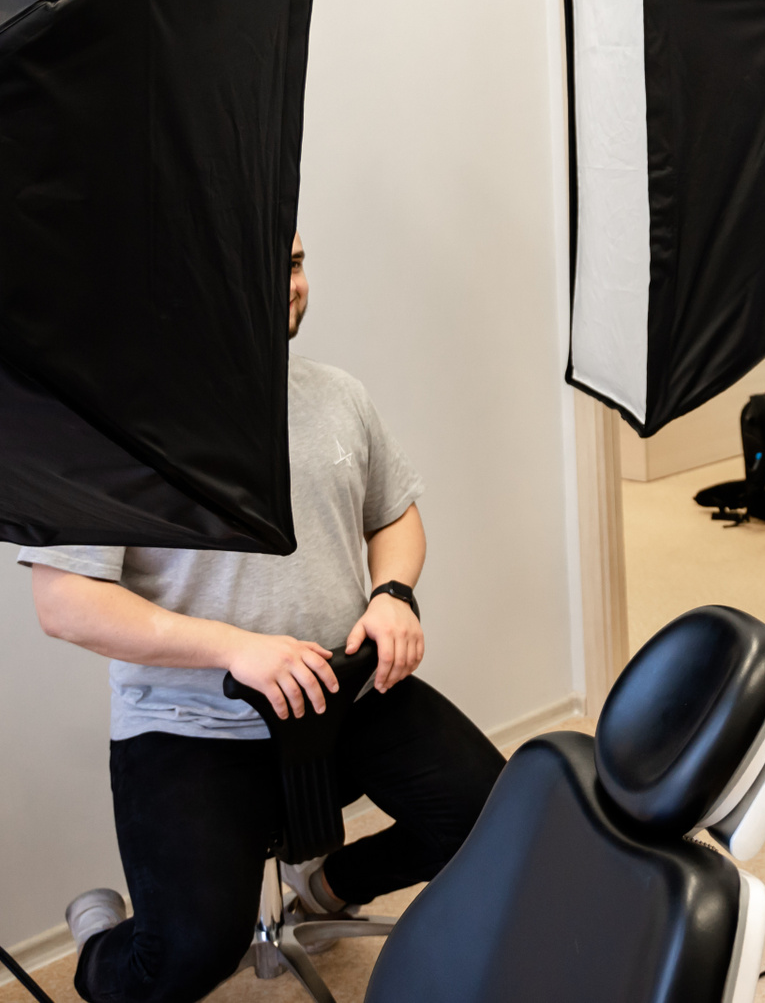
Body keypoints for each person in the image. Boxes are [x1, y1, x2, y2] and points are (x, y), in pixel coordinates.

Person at [22, 231, 504, 1003]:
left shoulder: (338, 395)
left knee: (493, 816)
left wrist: (393, 593)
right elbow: (65, 602)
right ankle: (97, 942)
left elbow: (394, 515)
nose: (288, 282)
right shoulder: (112, 424)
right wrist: (235, 648)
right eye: (260, 263)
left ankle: (328, 889)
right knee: (185, 957)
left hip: (346, 692)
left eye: (295, 262)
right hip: (191, 724)